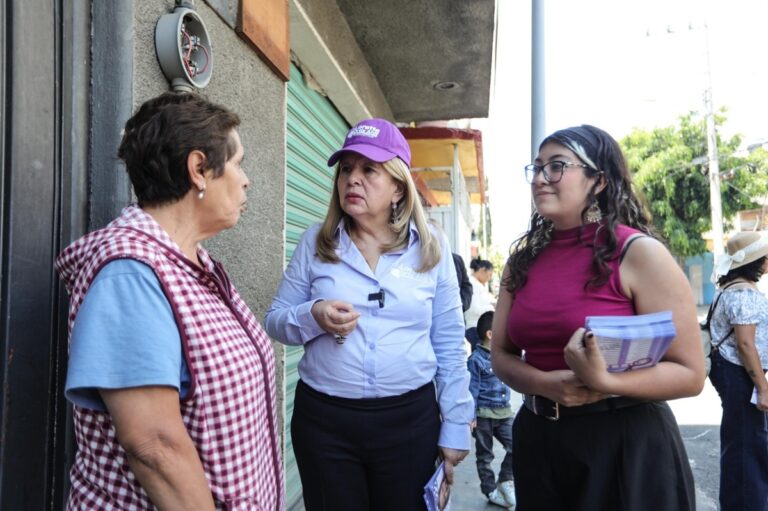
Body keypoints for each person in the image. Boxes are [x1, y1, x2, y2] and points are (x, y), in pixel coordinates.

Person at [55, 93, 283, 509]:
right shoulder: (130, 276)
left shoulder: (194, 265)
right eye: (237, 163)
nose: (246, 179)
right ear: (199, 169)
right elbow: (153, 446)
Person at [491, 124, 704, 511]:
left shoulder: (638, 253)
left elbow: (690, 374)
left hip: (624, 445)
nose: (540, 178)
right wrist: (545, 384)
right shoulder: (521, 262)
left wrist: (603, 380)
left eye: (557, 166)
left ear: (599, 181)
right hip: (539, 441)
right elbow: (501, 357)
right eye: (536, 167)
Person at [264, 118, 473, 510]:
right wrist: (314, 315)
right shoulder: (316, 242)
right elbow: (275, 319)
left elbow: (447, 342)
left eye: (368, 170)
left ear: (397, 185)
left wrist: (456, 425)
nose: (351, 180)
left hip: (410, 422)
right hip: (325, 424)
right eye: (346, 169)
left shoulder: (433, 248)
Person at [708, 231, 768, 511]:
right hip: (739, 373)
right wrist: (763, 387)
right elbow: (745, 344)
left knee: (741, 442)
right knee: (747, 446)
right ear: (757, 262)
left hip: (730, 371)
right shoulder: (744, 292)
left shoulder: (728, 288)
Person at [467, 311, 515, 509]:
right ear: (490, 334)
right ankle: (490, 490)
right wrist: (471, 416)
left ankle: (505, 479)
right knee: (484, 456)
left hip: (504, 413)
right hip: (484, 415)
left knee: (517, 444)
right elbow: (472, 390)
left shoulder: (503, 356)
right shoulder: (475, 360)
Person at [465, 259, 495, 350]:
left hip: (478, 327)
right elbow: (473, 309)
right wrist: (491, 306)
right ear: (482, 270)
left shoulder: (478, 284)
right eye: (489, 275)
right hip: (474, 327)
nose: (489, 279)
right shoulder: (472, 283)